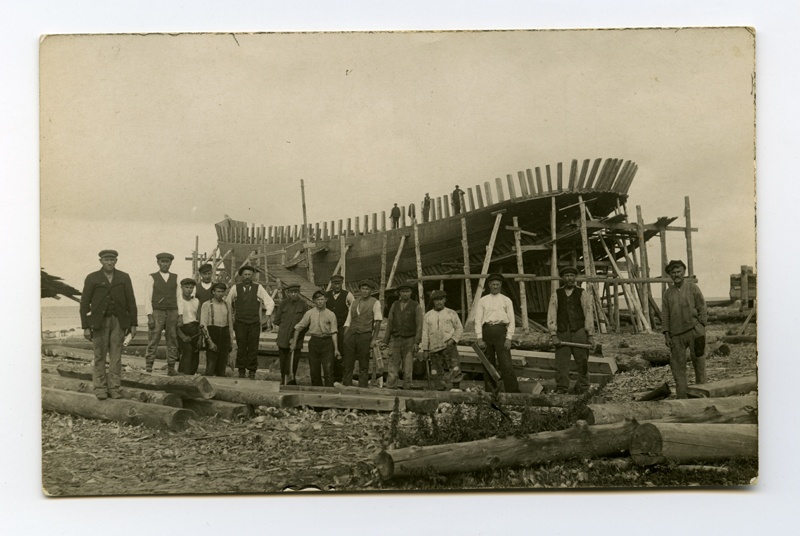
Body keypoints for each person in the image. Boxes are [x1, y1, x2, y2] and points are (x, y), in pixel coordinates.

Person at [79, 249, 138, 399]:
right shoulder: (92, 278)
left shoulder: (124, 277)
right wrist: (85, 327)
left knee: (116, 356)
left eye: (112, 260)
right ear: (101, 261)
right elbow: (84, 303)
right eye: (106, 260)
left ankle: (114, 388)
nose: (109, 263)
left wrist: (133, 324)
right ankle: (100, 388)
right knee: (99, 355)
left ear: (116, 261)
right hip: (99, 322)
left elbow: (131, 301)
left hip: (119, 322)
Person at [662, 259, 708, 399]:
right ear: (670, 275)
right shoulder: (667, 293)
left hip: (695, 331)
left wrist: (701, 326)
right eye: (673, 272)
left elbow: (702, 307)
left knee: (699, 363)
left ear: (684, 272)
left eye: (679, 271)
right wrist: (667, 334)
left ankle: (702, 396)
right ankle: (682, 398)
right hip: (676, 335)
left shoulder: (693, 288)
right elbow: (665, 315)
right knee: (677, 367)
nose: (676, 275)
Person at [547, 266, 595, 394]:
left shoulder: (582, 293)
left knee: (582, 360)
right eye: (567, 276)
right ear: (563, 278)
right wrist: (553, 334)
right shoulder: (556, 294)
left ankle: (583, 387)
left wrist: (590, 335)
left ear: (575, 278)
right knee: (561, 362)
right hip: (562, 332)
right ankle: (562, 388)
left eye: (572, 276)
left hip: (579, 331)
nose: (569, 278)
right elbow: (552, 314)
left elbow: (588, 313)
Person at [474, 273, 520, 393]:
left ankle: (512, 392)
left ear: (501, 285)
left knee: (506, 364)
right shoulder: (482, 300)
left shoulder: (506, 300)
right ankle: (491, 391)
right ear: (489, 285)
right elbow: (478, 320)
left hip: (501, 332)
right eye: (493, 284)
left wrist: (509, 338)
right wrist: (479, 338)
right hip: (487, 331)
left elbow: (512, 320)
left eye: (497, 284)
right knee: (488, 364)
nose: (495, 286)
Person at [226, 265, 274, 379]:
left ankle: (252, 370)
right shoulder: (235, 288)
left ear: (253, 276)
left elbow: (270, 302)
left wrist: (267, 315)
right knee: (241, 346)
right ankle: (241, 370)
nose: (247, 277)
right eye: (245, 275)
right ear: (241, 276)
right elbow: (227, 302)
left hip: (254, 323)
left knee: (253, 347)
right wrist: (230, 317)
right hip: (240, 323)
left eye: (249, 275)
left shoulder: (258, 287)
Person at [292, 290, 340, 386]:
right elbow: (298, 327)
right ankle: (316, 390)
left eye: (322, 299)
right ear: (314, 301)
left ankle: (329, 391)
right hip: (314, 342)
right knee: (314, 369)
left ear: (326, 300)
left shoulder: (331, 314)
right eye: (318, 300)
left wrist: (336, 349)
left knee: (328, 369)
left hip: (327, 342)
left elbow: (334, 332)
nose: (320, 302)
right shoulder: (309, 313)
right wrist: (294, 342)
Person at [144, 252, 182, 375]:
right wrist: (149, 316)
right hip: (157, 312)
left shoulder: (176, 277)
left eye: (167, 262)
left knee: (172, 339)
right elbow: (147, 298)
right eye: (162, 262)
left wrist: (180, 315)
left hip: (172, 311)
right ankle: (148, 367)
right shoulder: (152, 277)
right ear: (158, 263)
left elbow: (179, 297)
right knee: (153, 339)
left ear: (170, 263)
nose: (165, 264)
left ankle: (171, 367)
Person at [380, 283, 423, 389]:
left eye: (407, 291)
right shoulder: (394, 305)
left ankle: (407, 389)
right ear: (399, 293)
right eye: (403, 292)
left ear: (411, 292)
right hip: (395, 339)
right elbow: (390, 323)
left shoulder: (416, 306)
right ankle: (391, 388)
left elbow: (419, 326)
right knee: (392, 365)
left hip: (410, 340)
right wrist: (385, 341)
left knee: (407, 367)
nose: (405, 294)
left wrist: (417, 342)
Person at [420, 289, 464, 391]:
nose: (439, 302)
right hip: (434, 347)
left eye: (441, 299)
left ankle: (456, 388)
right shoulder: (428, 315)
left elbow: (459, 328)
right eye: (436, 300)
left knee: (454, 366)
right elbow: (425, 333)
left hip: (449, 345)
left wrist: (453, 340)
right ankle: (440, 388)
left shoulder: (451, 313)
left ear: (445, 300)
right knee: (435, 370)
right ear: (433, 301)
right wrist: (425, 349)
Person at [343, 281, 383, 387]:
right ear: (360, 290)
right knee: (348, 362)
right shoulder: (354, 302)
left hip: (365, 334)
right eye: (363, 289)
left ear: (371, 291)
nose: (365, 291)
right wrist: (346, 337)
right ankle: (346, 386)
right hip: (351, 334)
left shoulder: (375, 302)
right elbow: (348, 320)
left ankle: (363, 387)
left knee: (363, 363)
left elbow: (378, 321)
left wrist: (374, 339)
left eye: (367, 289)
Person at [273, 283, 309, 384]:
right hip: (283, 338)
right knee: (283, 360)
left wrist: (296, 338)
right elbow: (277, 320)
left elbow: (306, 324)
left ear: (299, 293)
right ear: (287, 293)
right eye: (291, 292)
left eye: (295, 292)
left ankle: (291, 380)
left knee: (294, 361)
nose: (293, 294)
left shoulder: (303, 304)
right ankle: (283, 379)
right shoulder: (283, 303)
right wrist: (285, 329)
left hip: (297, 338)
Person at [200, 282, 234, 377]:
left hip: (224, 335)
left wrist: (231, 341)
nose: (220, 294)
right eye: (218, 292)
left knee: (222, 365)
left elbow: (230, 324)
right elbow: (203, 324)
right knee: (211, 364)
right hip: (213, 334)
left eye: (222, 292)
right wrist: (209, 341)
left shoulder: (227, 305)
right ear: (213, 292)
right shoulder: (207, 304)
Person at [325, 274, 354, 383]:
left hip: (342, 327)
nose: (337, 286)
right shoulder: (326, 295)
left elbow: (353, 310)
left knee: (341, 351)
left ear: (342, 284)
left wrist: (348, 326)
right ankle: (330, 377)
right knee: (329, 351)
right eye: (334, 283)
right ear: (331, 284)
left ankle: (341, 378)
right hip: (329, 328)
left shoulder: (348, 295)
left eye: (339, 283)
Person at [177, 278, 201, 375]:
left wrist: (200, 337)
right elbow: (174, 322)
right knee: (187, 351)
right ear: (181, 287)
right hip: (183, 330)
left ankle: (191, 377)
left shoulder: (196, 301)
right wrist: (182, 336)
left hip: (195, 330)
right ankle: (183, 375)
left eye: (191, 287)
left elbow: (199, 320)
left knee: (195, 354)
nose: (189, 290)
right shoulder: (177, 301)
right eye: (186, 287)